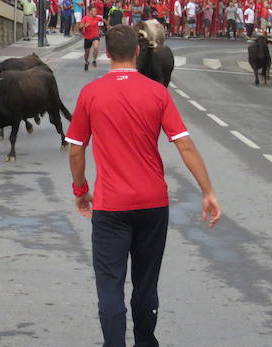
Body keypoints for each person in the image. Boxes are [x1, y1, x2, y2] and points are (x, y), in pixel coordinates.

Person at [66, 23, 221, 347]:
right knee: (146, 284)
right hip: (153, 204)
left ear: (107, 53)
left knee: (110, 285)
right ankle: (146, 342)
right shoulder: (157, 92)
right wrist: (207, 191)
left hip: (111, 207)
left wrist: (81, 191)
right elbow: (185, 145)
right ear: (138, 52)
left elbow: (77, 149)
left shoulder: (91, 93)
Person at [78, 6, 105, 71]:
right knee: (87, 53)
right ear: (90, 12)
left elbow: (104, 20)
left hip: (95, 36)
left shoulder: (97, 18)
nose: (96, 12)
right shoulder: (85, 18)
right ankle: (86, 62)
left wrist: (108, 25)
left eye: (96, 11)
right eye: (94, 11)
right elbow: (80, 27)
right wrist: (84, 25)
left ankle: (94, 60)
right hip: (87, 38)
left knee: (96, 47)